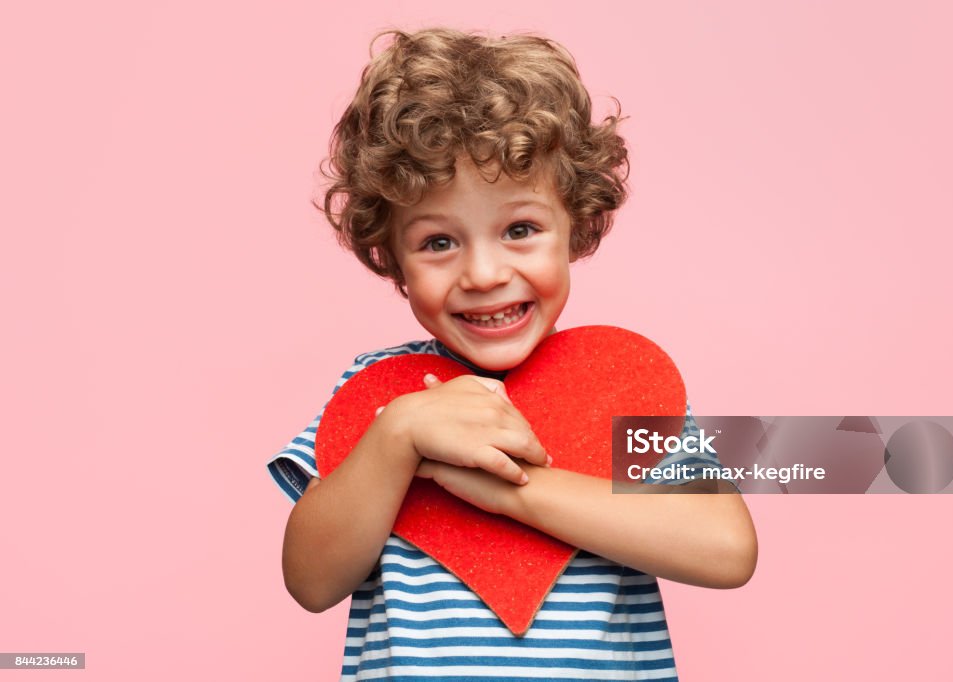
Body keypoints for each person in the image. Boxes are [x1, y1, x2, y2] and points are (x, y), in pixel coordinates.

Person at [267, 27, 757, 680]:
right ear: (391, 257)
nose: (484, 273)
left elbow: (725, 548)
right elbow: (311, 580)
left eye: (520, 230)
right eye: (439, 242)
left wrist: (513, 494)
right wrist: (400, 435)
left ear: (575, 225)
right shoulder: (379, 390)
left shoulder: (623, 385)